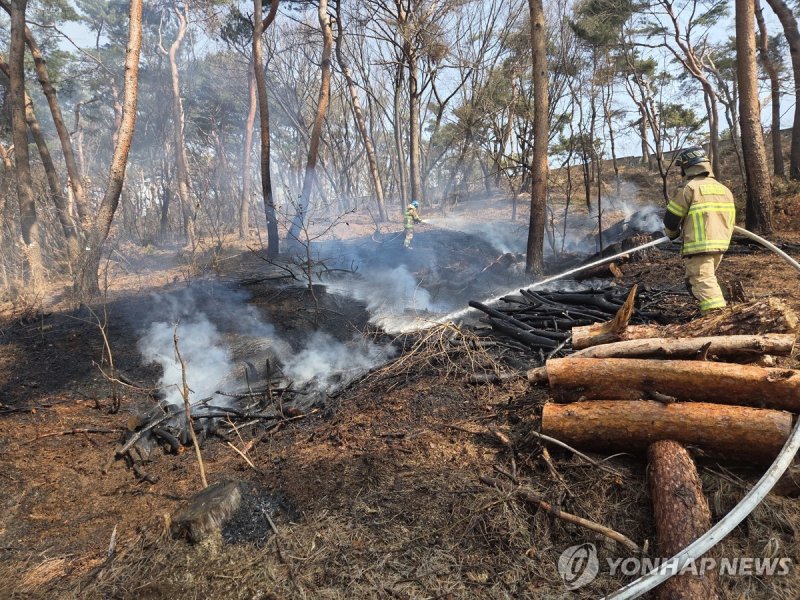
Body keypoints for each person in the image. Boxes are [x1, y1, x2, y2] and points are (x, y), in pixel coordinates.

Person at [663, 146, 736, 314]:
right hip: (720, 245)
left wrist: (672, 234)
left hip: (699, 246)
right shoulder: (724, 190)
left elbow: (671, 217)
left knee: (702, 280)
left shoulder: (691, 188)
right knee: (698, 280)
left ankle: (717, 319)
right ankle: (710, 315)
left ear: (687, 167)